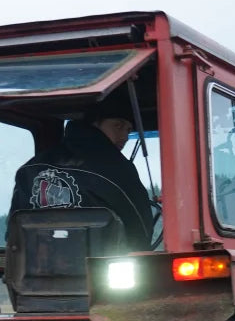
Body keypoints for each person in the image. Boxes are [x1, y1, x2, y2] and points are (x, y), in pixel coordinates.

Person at [10, 93, 156, 250]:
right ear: (95, 123)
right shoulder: (117, 169)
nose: (124, 136)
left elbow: (13, 235)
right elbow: (140, 229)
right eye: (118, 126)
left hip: (35, 267)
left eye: (128, 130)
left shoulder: (30, 168)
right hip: (101, 268)